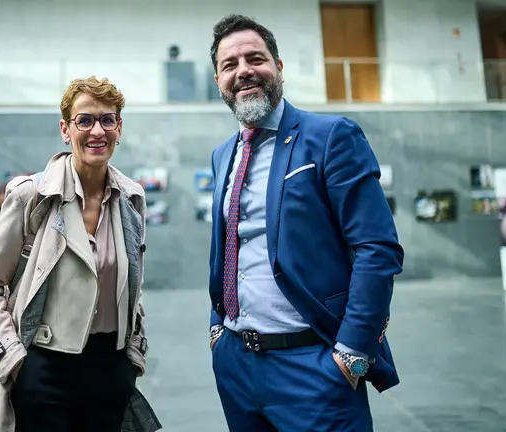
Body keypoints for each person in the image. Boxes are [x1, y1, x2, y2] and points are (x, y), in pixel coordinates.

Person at [206, 15, 405, 432]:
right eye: (230, 64)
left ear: (278, 67)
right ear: (219, 79)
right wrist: (217, 331)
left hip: (313, 366)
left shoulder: (331, 136)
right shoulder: (224, 154)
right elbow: (230, 249)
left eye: (255, 58)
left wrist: (351, 353)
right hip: (237, 366)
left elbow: (377, 248)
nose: (243, 70)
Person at [0, 76, 160, 432]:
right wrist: (15, 362)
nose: (97, 130)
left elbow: (133, 287)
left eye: (107, 119)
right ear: (66, 130)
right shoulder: (31, 196)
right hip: (43, 372)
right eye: (85, 120)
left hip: (110, 373)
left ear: (119, 127)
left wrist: (133, 357)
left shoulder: (131, 199)